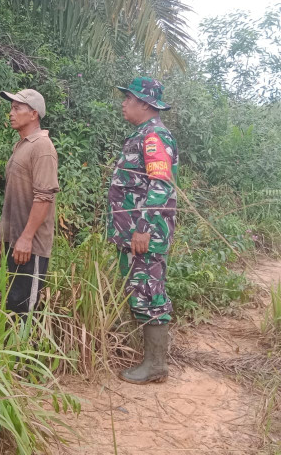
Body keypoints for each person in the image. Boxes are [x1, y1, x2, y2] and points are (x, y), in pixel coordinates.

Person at [107, 77, 178, 384]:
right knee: (139, 289)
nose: (124, 103)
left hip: (146, 234)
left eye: (129, 98)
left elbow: (161, 184)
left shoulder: (154, 137)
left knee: (149, 291)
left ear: (146, 104)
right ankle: (148, 359)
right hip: (135, 233)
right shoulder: (142, 135)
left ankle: (156, 365)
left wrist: (143, 228)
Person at [0, 89, 59, 317]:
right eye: (11, 107)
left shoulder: (42, 147)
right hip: (17, 238)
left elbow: (44, 197)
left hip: (31, 245)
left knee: (24, 308)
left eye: (17, 108)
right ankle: (10, 351)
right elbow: (15, 194)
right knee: (14, 301)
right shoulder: (22, 145)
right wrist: (2, 229)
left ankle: (23, 351)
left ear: (34, 114)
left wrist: (27, 238)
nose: (11, 113)